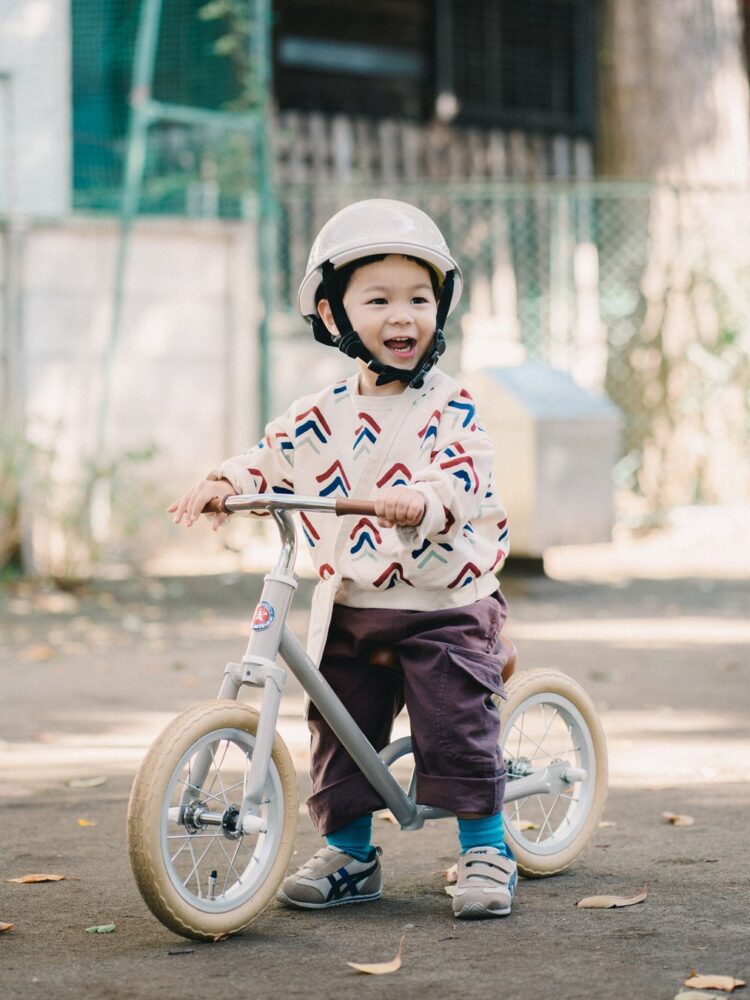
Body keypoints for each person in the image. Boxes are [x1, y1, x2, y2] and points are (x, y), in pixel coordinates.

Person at [169, 199, 516, 919]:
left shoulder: (451, 407)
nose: (403, 316)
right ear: (333, 318)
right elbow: (270, 460)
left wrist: (423, 501)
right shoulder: (316, 414)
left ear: (440, 308)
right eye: (379, 299)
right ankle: (352, 855)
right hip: (353, 603)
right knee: (338, 725)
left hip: (439, 606)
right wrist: (226, 483)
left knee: (455, 724)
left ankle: (487, 846)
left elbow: (462, 474)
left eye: (419, 298)